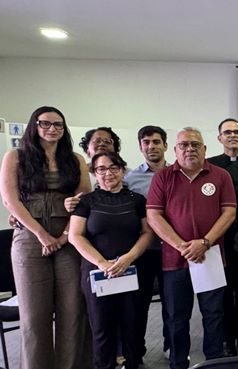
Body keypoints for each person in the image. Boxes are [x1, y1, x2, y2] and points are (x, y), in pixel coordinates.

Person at [0, 106, 92, 369]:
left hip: (70, 237)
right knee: (34, 316)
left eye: (58, 125)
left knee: (73, 311)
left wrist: (64, 236)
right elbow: (10, 199)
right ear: (34, 126)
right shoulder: (16, 157)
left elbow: (84, 196)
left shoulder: (75, 160)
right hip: (30, 238)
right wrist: (41, 234)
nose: (53, 129)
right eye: (46, 123)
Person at [147, 127, 236, 369]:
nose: (190, 149)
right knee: (176, 317)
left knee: (214, 314)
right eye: (184, 145)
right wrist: (182, 246)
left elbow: (229, 212)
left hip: (211, 257)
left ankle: (214, 362)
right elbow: (154, 216)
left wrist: (204, 242)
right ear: (174, 150)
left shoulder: (220, 176)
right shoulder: (163, 177)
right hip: (174, 260)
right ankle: (178, 363)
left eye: (195, 144)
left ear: (205, 149)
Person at [69, 152, 154, 369]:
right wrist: (102, 263)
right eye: (102, 169)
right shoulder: (86, 202)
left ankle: (134, 364)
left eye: (114, 167)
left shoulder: (137, 200)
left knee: (133, 326)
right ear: (94, 172)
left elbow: (147, 233)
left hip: (132, 270)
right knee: (101, 329)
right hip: (98, 273)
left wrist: (128, 258)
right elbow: (75, 235)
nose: (108, 173)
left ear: (122, 169)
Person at [206, 118, 238, 356]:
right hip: (218, 238)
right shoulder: (210, 166)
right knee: (222, 291)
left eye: (237, 132)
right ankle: (227, 340)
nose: (232, 136)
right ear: (219, 138)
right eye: (227, 132)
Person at [123, 125, 171, 361]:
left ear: (165, 145)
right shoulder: (130, 179)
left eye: (156, 142)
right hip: (142, 251)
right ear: (140, 146)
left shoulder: (177, 174)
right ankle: (136, 351)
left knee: (172, 302)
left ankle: (171, 345)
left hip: (172, 249)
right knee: (137, 305)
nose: (151, 146)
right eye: (146, 142)